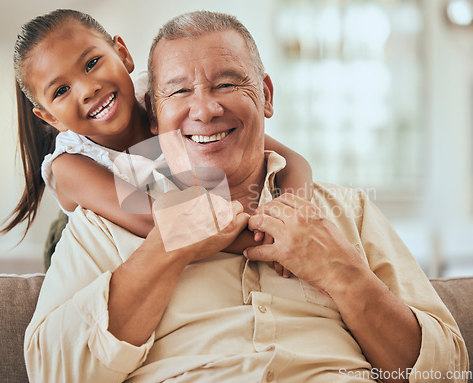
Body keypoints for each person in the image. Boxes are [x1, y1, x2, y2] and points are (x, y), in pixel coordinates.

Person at [24, 10, 469, 383]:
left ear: (267, 96)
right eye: (180, 91)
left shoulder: (347, 212)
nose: (205, 109)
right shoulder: (97, 217)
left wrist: (338, 268)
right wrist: (168, 249)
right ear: (156, 115)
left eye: (227, 84)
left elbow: (447, 372)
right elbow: (52, 371)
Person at [0, 9, 313, 277]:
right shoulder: (70, 166)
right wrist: (268, 240)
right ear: (49, 118)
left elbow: (292, 160)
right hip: (104, 239)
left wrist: (296, 215)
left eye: (92, 63)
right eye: (61, 90)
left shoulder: (167, 98)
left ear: (122, 53)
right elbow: (158, 221)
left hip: (186, 206)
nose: (86, 90)